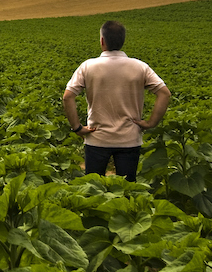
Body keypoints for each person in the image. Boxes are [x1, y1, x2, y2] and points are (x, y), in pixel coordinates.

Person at [62, 20, 170, 182]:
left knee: (93, 190)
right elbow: (164, 93)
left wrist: (77, 128)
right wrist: (151, 123)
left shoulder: (88, 66)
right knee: (127, 192)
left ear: (102, 41)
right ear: (123, 41)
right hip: (129, 139)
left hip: (96, 137)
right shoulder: (140, 67)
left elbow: (68, 96)